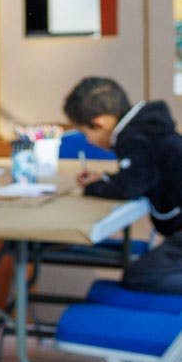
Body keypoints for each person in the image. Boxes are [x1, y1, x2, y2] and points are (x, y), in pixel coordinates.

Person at [66, 76, 182, 293]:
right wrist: (107, 180)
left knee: (140, 276)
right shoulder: (148, 127)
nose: (88, 140)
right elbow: (141, 173)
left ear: (99, 123)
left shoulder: (133, 137)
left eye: (86, 133)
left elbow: (130, 188)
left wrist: (92, 188)